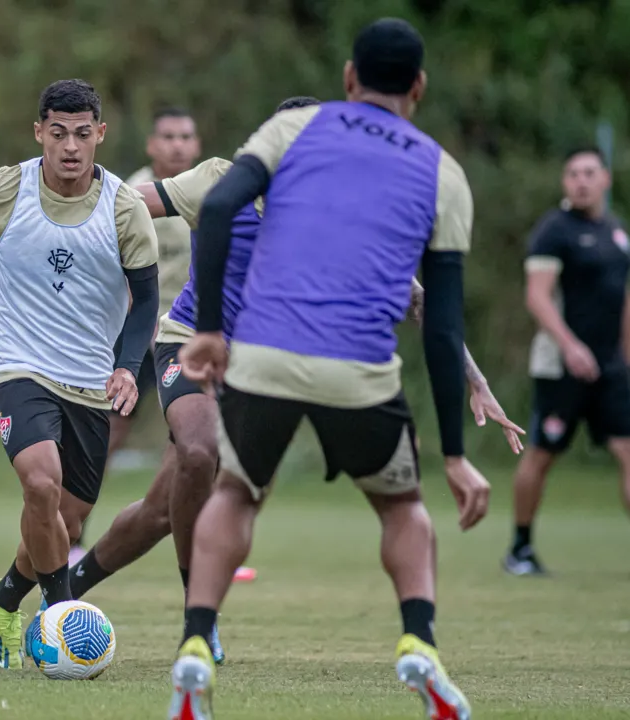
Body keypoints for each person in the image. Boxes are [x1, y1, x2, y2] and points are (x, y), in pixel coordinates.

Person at [70, 98, 523, 672]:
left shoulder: (334, 210)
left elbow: (418, 301)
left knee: (161, 511)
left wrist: (477, 383)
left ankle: (64, 589)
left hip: (260, 370)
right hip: (189, 339)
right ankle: (197, 620)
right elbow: (125, 208)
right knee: (200, 452)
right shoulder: (219, 179)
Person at [168, 19, 488, 720]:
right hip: (361, 371)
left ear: (348, 79)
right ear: (420, 88)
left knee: (237, 493)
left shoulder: (295, 132)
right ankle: (420, 641)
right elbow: (441, 322)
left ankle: (195, 643)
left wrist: (213, 332)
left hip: (266, 357)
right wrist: (457, 456)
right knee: (402, 506)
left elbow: (219, 204)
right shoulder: (445, 174)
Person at [0, 79, 159, 671]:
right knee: (39, 486)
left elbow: (145, 300)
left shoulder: (123, 207)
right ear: (39, 132)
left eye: (82, 133)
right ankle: (61, 622)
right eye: (58, 133)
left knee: (63, 523)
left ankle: (4, 598)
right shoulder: (7, 187)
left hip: (89, 378)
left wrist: (125, 366)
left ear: (100, 135)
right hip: (16, 364)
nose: (70, 146)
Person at [69, 106, 202, 561]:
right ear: (151, 145)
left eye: (186, 136)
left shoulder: (211, 194)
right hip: (136, 335)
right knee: (108, 432)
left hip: (189, 336)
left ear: (197, 145)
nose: (177, 144)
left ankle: (211, 542)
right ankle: (72, 537)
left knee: (206, 437)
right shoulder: (131, 194)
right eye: (168, 136)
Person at [504, 147, 630, 577]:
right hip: (561, 365)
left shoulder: (617, 233)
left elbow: (623, 299)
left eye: (589, 173)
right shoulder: (554, 231)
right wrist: (571, 345)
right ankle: (520, 549)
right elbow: (537, 296)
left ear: (605, 180)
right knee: (542, 453)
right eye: (573, 173)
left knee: (627, 451)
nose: (581, 181)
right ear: (564, 182)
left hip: (611, 368)